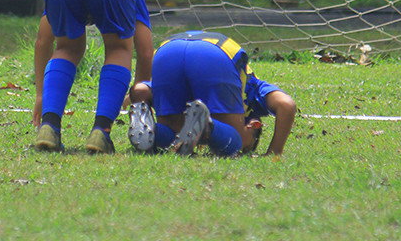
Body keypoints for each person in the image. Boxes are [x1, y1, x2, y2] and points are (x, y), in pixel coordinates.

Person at [32, 0, 153, 154]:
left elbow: (42, 41)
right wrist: (140, 99)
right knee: (118, 48)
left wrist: (41, 96)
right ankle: (101, 132)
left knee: (67, 48)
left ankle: (49, 125)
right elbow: (145, 51)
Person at [127, 30, 297, 156]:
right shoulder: (256, 89)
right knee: (234, 140)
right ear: (253, 125)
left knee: (174, 133)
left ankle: (151, 129)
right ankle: (207, 125)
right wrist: (274, 152)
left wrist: (139, 96)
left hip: (167, 50)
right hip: (216, 53)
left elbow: (142, 89)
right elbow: (286, 104)